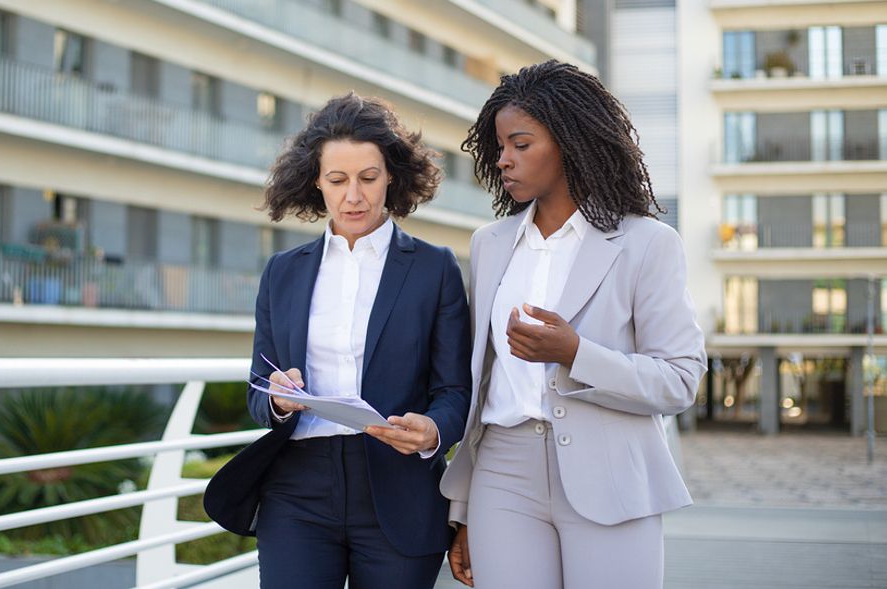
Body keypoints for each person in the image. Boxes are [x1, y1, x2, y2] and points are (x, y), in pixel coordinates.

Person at [439, 60, 708, 588]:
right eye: (500, 147)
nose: (504, 160)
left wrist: (575, 352)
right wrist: (465, 508)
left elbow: (679, 380)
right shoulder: (489, 245)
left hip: (608, 470)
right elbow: (486, 385)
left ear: (568, 142)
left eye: (521, 144)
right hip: (502, 472)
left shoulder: (647, 243)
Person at [204, 92, 471, 589]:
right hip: (297, 489)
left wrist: (434, 429)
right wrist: (279, 399)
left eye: (368, 178)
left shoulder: (435, 269)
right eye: (338, 180)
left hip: (398, 485)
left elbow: (456, 390)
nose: (354, 196)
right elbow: (259, 388)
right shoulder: (283, 272)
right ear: (316, 183)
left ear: (391, 176)